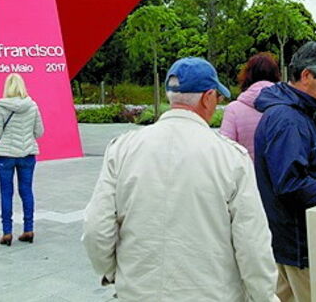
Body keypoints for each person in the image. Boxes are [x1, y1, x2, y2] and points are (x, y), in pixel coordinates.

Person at [82, 57, 278, 301]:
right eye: (217, 98)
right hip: (211, 293)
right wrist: (264, 296)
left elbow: (96, 228)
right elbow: (252, 243)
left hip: (138, 291)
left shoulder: (122, 149)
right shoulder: (232, 158)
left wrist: (113, 273)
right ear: (207, 97)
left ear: (169, 96)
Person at [254, 42, 316, 302]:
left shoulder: (289, 112)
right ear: (307, 76)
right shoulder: (289, 119)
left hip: (288, 239)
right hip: (299, 241)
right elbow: (291, 184)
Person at [0, 73, 44, 246]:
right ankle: (28, 229)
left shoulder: (1, 106)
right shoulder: (32, 105)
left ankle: (7, 233)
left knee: (6, 193)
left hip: (5, 156)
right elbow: (39, 132)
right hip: (27, 154)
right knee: (26, 191)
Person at [220, 52, 282, 160]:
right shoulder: (287, 106)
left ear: (247, 74)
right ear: (276, 74)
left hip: (246, 174)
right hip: (281, 175)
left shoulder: (233, 109)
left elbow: (225, 151)